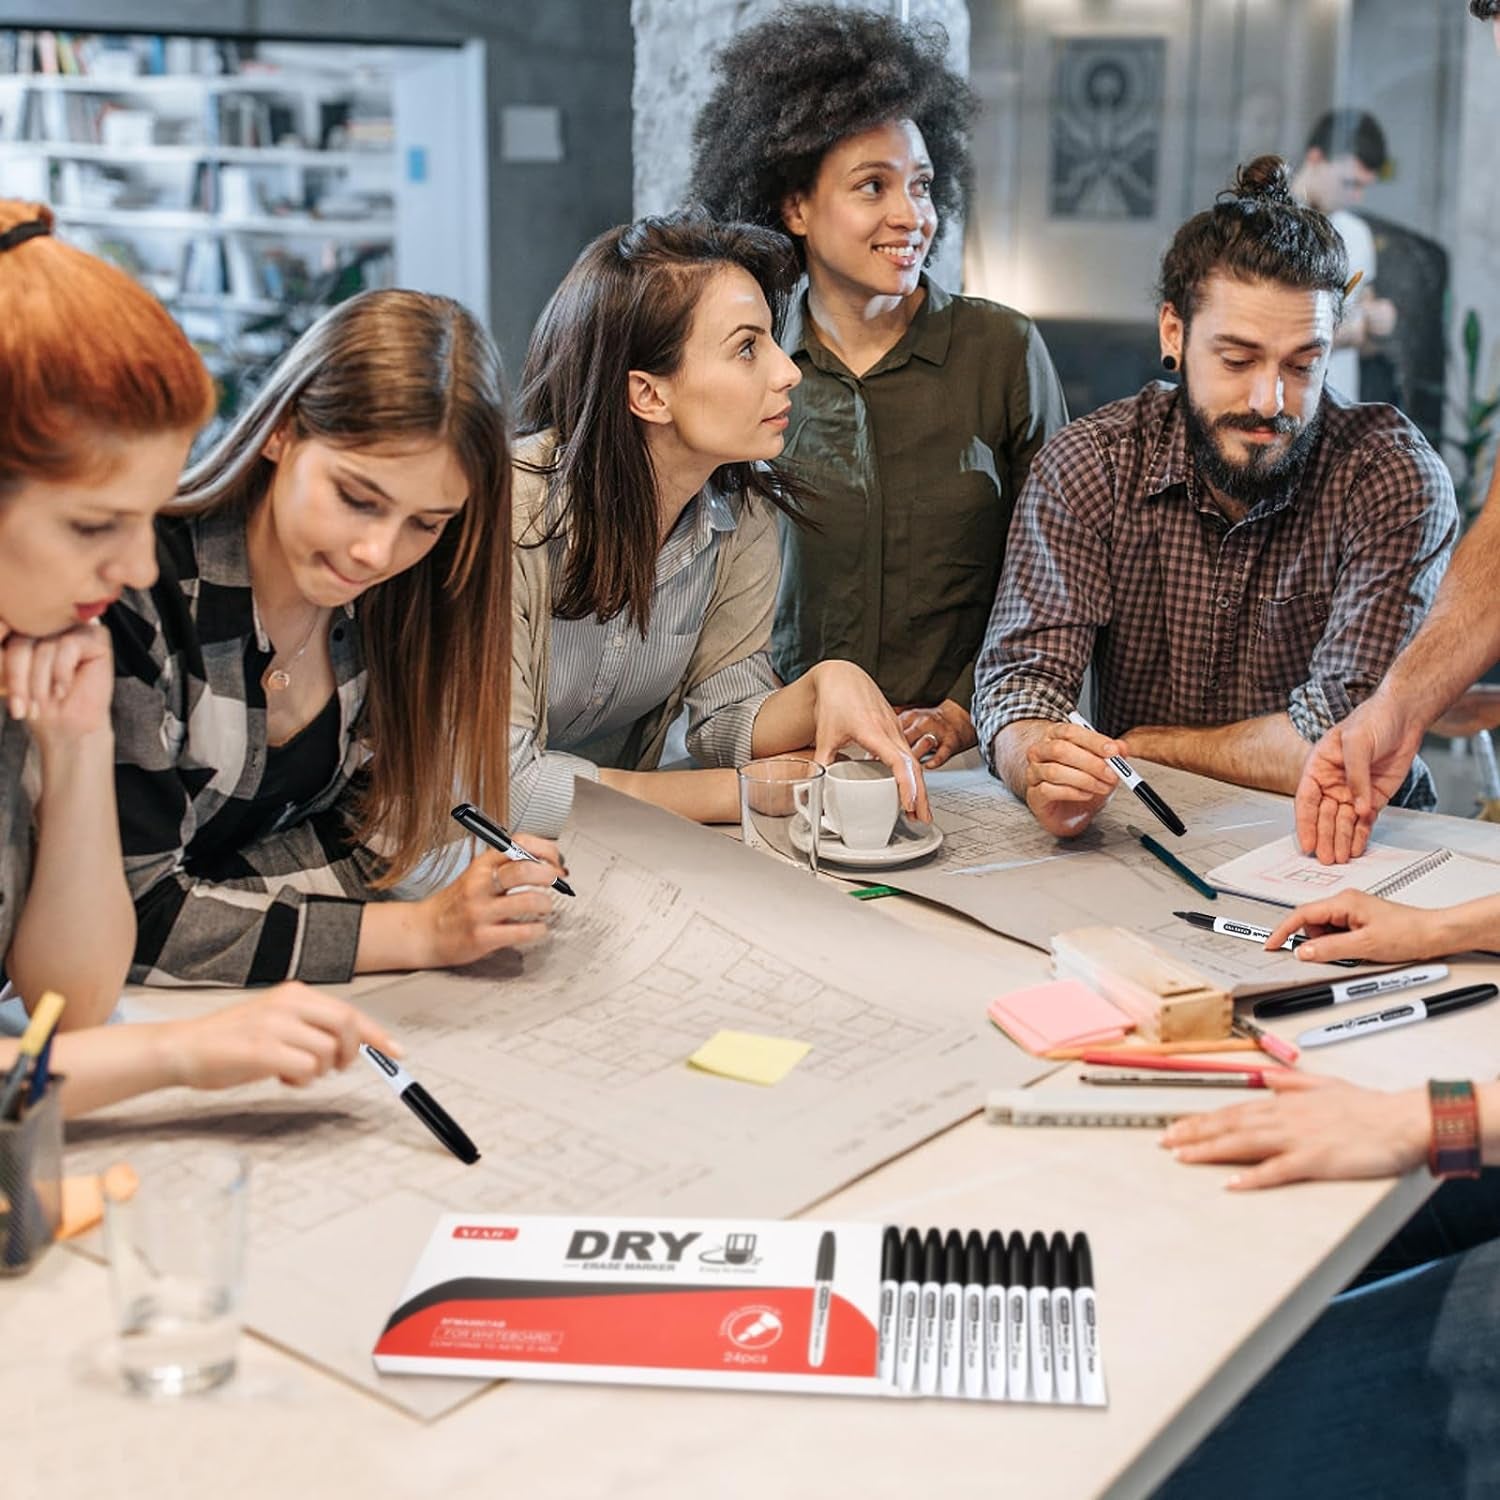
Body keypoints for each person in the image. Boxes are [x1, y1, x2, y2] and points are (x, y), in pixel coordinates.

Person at [0, 199, 392, 1113]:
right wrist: (178, 1055)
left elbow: (73, 1004)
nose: (139, 566)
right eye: (94, 524)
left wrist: (76, 744)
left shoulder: (40, 650)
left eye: (147, 516)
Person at [976, 156, 1457, 839]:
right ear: (1174, 333)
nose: (1271, 400)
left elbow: (1343, 739)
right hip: (1150, 834)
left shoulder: (1389, 478)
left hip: (1360, 842)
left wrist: (1143, 748)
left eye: (1303, 364)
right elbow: (1022, 683)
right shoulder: (1093, 464)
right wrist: (1039, 761)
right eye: (1237, 361)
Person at [108, 290, 566, 987]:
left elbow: (366, 845)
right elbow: (128, 920)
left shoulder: (405, 603)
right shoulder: (140, 591)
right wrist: (415, 931)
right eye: (357, 498)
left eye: (427, 522)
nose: (377, 553)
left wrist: (206, 906)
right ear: (283, 431)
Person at [688, 5, 1068, 770]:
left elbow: (1057, 575)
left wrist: (966, 710)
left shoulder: (1002, 352)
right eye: (873, 186)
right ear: (795, 206)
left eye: (922, 186)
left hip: (966, 758)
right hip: (791, 756)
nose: (911, 216)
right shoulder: (749, 364)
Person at [508, 213, 929, 834]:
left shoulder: (739, 511)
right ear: (649, 394)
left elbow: (722, 716)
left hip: (600, 855)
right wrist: (745, 794)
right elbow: (508, 789)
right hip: (440, 865)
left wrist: (822, 688)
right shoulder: (508, 517)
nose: (789, 372)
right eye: (747, 347)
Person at [1292, 108, 1398, 402]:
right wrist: (1351, 331)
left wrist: (1378, 324)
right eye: (1350, 183)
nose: (1356, 197)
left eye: (1364, 186)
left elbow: (1366, 342)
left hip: (1340, 411)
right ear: (1316, 159)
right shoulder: (1266, 226)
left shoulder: (1357, 234)